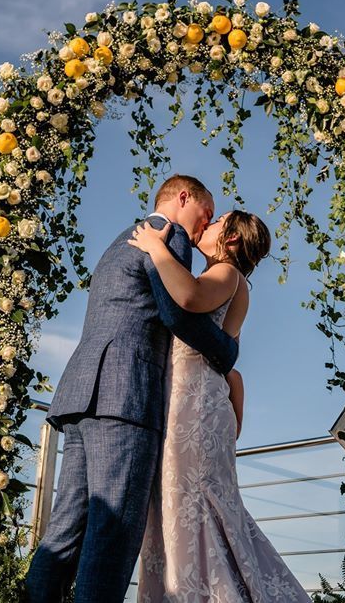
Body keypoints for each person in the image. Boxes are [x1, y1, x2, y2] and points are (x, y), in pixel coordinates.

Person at [24, 174, 239, 603]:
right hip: (126, 398)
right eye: (206, 212)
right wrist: (227, 352)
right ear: (182, 198)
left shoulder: (120, 240)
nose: (205, 224)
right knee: (113, 533)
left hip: (81, 394)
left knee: (65, 530)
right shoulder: (169, 235)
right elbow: (178, 314)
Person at [130, 210, 312, 602]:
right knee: (187, 507)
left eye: (216, 223)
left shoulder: (228, 274)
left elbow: (189, 297)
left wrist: (155, 249)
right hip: (192, 404)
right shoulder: (233, 281)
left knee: (190, 505)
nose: (206, 228)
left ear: (230, 241)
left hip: (194, 409)